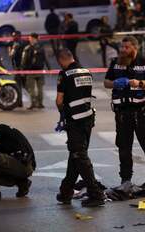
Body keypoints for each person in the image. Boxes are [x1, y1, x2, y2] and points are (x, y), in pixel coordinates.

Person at [104, 36, 145, 184]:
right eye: (122, 47)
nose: (123, 50)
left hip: (141, 112)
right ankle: (126, 180)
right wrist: (114, 83)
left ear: (134, 48)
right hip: (122, 113)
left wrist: (140, 83)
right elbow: (106, 82)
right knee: (124, 148)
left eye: (126, 47)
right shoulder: (115, 63)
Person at [55, 49, 105, 207]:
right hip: (88, 118)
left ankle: (96, 194)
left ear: (62, 60)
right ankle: (66, 191)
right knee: (76, 155)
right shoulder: (86, 71)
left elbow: (59, 100)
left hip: (74, 121)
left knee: (80, 156)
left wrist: (62, 115)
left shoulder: (64, 74)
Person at [21, 33, 50, 110]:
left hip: (31, 72)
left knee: (31, 89)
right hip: (40, 71)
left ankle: (33, 103)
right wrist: (49, 68)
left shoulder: (27, 48)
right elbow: (46, 59)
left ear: (34, 39)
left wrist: (22, 70)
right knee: (40, 88)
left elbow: (24, 61)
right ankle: (40, 104)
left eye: (30, 38)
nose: (29, 39)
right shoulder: (41, 48)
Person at [9, 31, 27, 107]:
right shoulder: (13, 43)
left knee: (22, 85)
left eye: (14, 36)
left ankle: (34, 101)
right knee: (20, 85)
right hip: (17, 67)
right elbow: (11, 55)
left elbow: (12, 55)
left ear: (19, 36)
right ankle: (20, 102)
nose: (13, 37)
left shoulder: (22, 44)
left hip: (21, 67)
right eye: (12, 36)